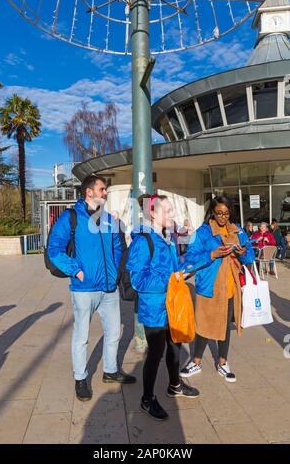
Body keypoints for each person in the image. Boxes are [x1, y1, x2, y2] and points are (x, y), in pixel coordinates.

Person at [47, 175, 136, 402]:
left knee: (114, 332)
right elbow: (54, 249)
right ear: (89, 192)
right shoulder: (71, 217)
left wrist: (116, 272)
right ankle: (80, 378)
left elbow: (118, 247)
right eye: (102, 189)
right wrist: (75, 270)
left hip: (109, 288)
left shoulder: (108, 219)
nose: (106, 193)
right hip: (84, 288)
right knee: (81, 337)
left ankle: (110, 370)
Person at [126, 194, 199, 421]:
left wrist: (188, 267)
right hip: (154, 308)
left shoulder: (166, 238)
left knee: (175, 346)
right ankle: (147, 399)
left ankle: (174, 385)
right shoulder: (143, 241)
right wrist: (172, 278)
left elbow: (174, 267)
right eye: (167, 210)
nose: (172, 214)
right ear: (154, 214)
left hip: (171, 305)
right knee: (156, 353)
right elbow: (139, 280)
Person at [180, 196, 254, 383]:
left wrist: (243, 253)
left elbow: (250, 256)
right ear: (212, 212)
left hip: (230, 287)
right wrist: (212, 254)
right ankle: (196, 361)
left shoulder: (237, 230)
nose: (223, 217)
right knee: (203, 326)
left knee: (224, 327)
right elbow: (190, 258)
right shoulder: (203, 232)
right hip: (209, 287)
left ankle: (223, 362)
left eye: (226, 213)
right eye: (219, 213)